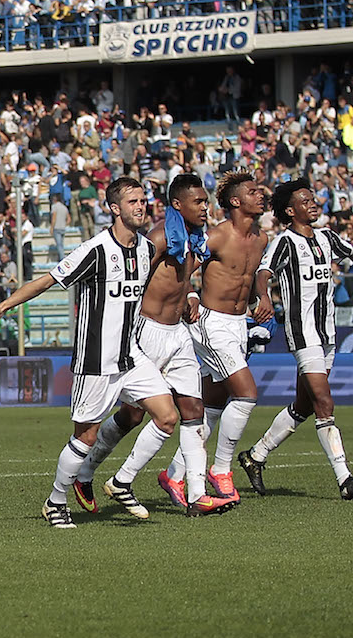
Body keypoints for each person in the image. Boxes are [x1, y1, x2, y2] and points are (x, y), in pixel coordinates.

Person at [0, 177, 177, 529]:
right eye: (133, 202)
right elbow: (48, 280)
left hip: (131, 354)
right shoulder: (95, 250)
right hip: (95, 359)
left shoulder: (144, 248)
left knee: (167, 416)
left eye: (143, 200)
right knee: (85, 436)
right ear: (114, 208)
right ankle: (56, 501)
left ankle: (121, 481)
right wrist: (2, 307)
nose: (141, 206)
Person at [238, 179, 353, 500]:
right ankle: (345, 478)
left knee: (304, 405)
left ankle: (255, 456)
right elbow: (263, 273)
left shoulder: (327, 237)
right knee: (324, 402)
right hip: (303, 332)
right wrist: (263, 298)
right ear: (290, 210)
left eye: (314, 199)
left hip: (327, 333)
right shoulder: (284, 242)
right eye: (306, 200)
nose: (314, 203)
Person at [70, 175, 238, 517]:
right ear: (178, 204)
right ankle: (85, 473)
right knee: (133, 415)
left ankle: (195, 495)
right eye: (198, 202)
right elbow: (136, 276)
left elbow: (184, 277)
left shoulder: (194, 237)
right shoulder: (160, 236)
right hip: (148, 331)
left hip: (178, 333)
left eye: (206, 201)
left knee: (192, 411)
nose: (205, 208)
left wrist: (190, 294)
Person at [162, 170, 271, 502]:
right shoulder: (217, 237)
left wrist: (260, 298)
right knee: (247, 393)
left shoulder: (261, 238)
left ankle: (174, 475)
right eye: (254, 192)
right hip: (211, 324)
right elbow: (181, 269)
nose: (262, 195)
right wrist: (191, 296)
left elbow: (248, 277)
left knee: (211, 407)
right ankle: (221, 468)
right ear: (236, 201)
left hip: (238, 326)